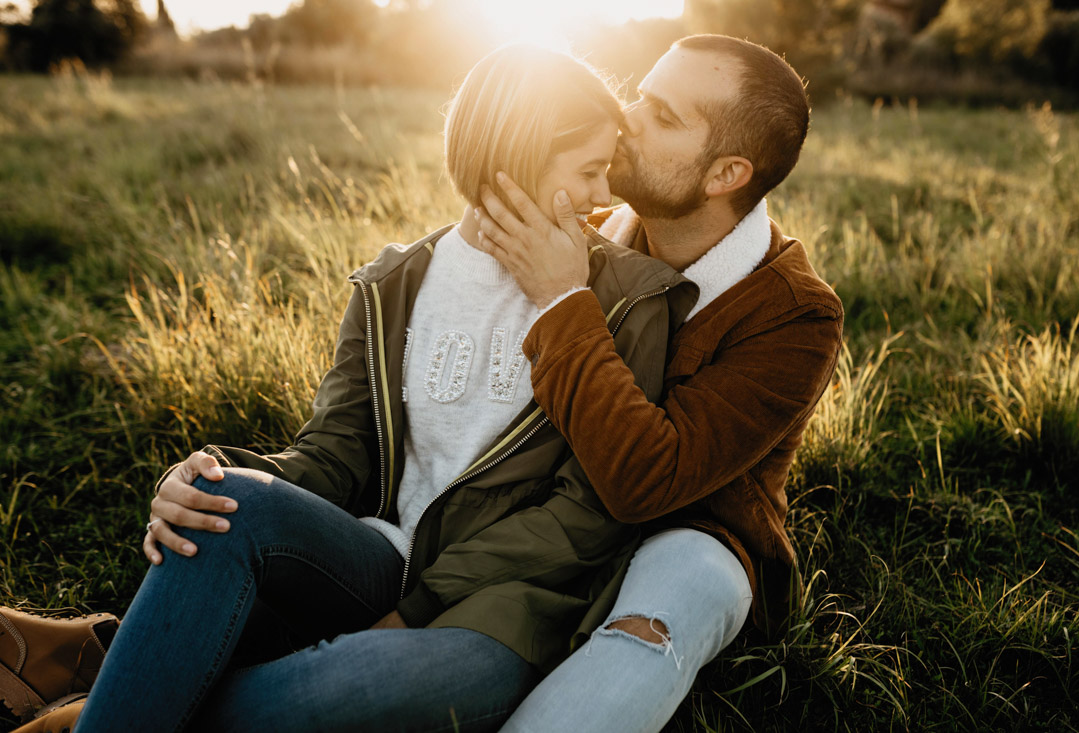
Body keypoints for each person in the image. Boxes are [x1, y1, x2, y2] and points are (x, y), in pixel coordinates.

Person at [10, 45, 695, 733]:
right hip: (375, 561)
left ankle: (92, 711)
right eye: (588, 171)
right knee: (227, 501)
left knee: (340, 686)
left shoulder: (627, 299)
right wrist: (211, 475)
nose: (607, 198)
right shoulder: (392, 284)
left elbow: (586, 515)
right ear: (515, 159)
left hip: (500, 614)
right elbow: (334, 454)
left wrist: (417, 610)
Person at [473, 35, 844, 732]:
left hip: (698, 533)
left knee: (657, 621)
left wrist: (563, 301)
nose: (625, 117)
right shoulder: (580, 225)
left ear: (724, 173)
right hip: (549, 509)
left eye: (663, 116)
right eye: (639, 94)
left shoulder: (796, 313)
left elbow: (650, 480)